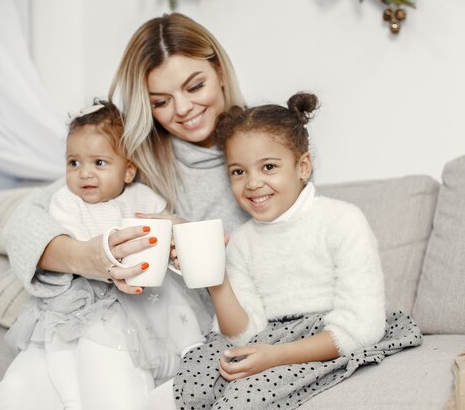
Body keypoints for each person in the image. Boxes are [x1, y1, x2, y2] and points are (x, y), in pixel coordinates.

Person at [0, 12, 248, 410]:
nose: (182, 109)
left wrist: (195, 242)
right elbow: (25, 221)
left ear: (221, 72)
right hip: (106, 309)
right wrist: (89, 256)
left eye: (195, 86)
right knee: (19, 392)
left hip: (184, 325)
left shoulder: (262, 147)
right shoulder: (138, 151)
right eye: (160, 101)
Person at [172, 92, 423, 409]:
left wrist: (274, 356)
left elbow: (360, 327)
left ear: (302, 166)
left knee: (239, 398)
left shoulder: (342, 221)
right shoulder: (240, 242)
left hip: (324, 340)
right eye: (238, 171)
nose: (252, 183)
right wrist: (216, 278)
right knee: (191, 382)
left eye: (268, 167)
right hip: (266, 339)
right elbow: (242, 335)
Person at [1, 100, 210, 410]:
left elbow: (163, 235)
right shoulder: (66, 202)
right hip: (86, 294)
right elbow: (32, 229)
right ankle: (72, 396)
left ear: (128, 172)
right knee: (60, 342)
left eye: (99, 163)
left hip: (140, 291)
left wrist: (173, 242)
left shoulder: (145, 198)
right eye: (74, 163)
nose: (84, 173)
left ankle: (189, 345)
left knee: (168, 301)